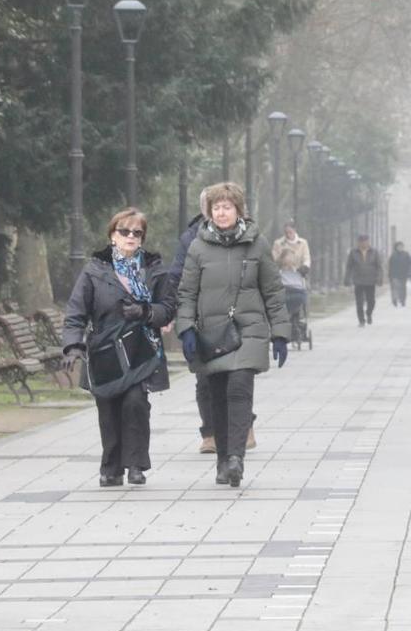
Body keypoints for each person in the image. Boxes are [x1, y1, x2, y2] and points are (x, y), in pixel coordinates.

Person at [176, 182, 290, 488]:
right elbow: (186, 292)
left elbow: (273, 292)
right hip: (212, 333)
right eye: (216, 208)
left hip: (249, 329)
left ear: (238, 210)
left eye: (227, 207)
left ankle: (237, 457)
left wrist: (280, 332)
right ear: (209, 212)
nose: (221, 212)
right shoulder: (198, 247)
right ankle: (223, 460)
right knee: (217, 395)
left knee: (239, 388)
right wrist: (185, 328)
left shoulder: (257, 244)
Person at [63, 208, 174, 487]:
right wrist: (73, 346)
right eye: (124, 231)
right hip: (104, 351)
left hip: (141, 349)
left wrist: (146, 312)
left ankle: (136, 464)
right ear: (113, 235)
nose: (131, 237)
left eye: (137, 233)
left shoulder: (154, 269)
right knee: (109, 409)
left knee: (136, 403)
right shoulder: (94, 270)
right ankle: (111, 467)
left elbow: (168, 308)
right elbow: (76, 312)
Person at [344, 234, 383, 326]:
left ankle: (369, 313)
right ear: (358, 242)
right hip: (358, 280)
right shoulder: (353, 252)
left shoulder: (374, 252)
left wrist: (379, 278)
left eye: (365, 241)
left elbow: (379, 267)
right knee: (359, 302)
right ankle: (361, 320)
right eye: (361, 241)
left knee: (371, 301)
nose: (363, 243)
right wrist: (347, 279)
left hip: (370, 280)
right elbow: (349, 267)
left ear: (368, 241)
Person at [277, 246, 308, 360]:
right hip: (286, 293)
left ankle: (295, 329)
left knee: (294, 309)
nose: (289, 263)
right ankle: (290, 330)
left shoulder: (299, 271)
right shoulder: (280, 272)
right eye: (287, 260)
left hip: (295, 293)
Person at [388, 241, 411, 307]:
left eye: (401, 246)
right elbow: (390, 265)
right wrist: (390, 275)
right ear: (396, 247)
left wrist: (409, 273)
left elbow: (410, 263)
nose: (400, 248)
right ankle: (394, 300)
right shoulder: (393, 255)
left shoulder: (406, 254)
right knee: (395, 288)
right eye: (399, 246)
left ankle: (403, 300)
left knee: (403, 288)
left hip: (403, 275)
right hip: (395, 275)